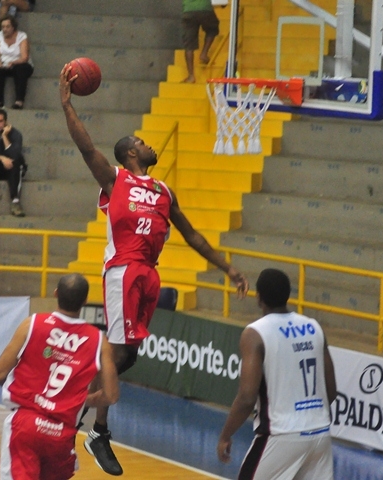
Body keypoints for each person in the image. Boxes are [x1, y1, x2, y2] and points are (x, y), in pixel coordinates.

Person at [59, 64, 249, 476]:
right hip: (123, 270)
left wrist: (228, 269)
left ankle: (81, 413)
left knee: (128, 356)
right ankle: (94, 428)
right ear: (131, 152)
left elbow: (193, 235)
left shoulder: (164, 191)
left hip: (149, 273)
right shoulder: (115, 180)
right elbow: (86, 148)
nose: (148, 145)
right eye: (142, 142)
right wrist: (67, 105)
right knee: (117, 351)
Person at [0, 273, 120, 480]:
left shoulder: (32, 323)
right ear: (85, 301)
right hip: (61, 435)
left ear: (56, 294)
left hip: (25, 426)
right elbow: (111, 396)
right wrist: (81, 400)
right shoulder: (99, 340)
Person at [217, 268, 337, 480]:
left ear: (259, 297)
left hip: (281, 435)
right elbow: (331, 391)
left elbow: (247, 397)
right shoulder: (314, 327)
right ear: (288, 295)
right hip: (320, 434)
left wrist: (225, 435)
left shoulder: (255, 333)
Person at [0, 14, 33, 109]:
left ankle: (19, 101)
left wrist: (13, 63)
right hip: (4, 64)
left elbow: (24, 57)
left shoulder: (22, 36)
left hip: (19, 63)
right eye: (3, 27)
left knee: (21, 70)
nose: (5, 29)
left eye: (7, 26)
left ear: (13, 27)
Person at [181, 0, 220, 84]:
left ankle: (191, 76)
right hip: (204, 8)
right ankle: (204, 54)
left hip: (188, 10)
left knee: (189, 45)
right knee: (212, 28)